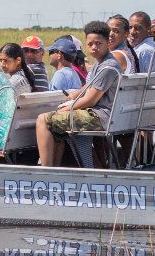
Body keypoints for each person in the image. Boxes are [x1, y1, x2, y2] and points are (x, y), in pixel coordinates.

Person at [36, 21, 122, 167]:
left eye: (98, 43)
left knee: (43, 120)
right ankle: (55, 169)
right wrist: (73, 96)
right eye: (90, 44)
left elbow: (90, 100)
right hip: (103, 115)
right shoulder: (101, 63)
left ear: (107, 43)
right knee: (56, 125)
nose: (94, 47)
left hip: (101, 117)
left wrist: (66, 108)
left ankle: (46, 170)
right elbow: (88, 87)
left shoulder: (108, 67)